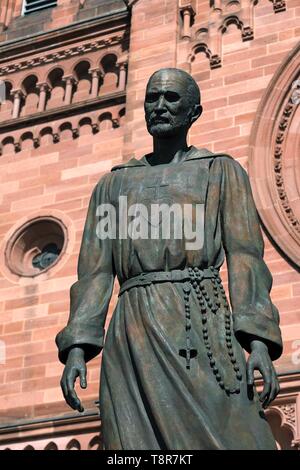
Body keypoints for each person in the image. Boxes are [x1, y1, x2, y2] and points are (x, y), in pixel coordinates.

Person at [56, 68, 283, 450]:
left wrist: (258, 341)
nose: (159, 106)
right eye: (152, 98)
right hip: (133, 329)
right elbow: (95, 272)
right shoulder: (113, 184)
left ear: (194, 112)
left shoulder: (221, 172)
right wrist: (77, 347)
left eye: (171, 98)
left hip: (201, 322)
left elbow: (246, 256)